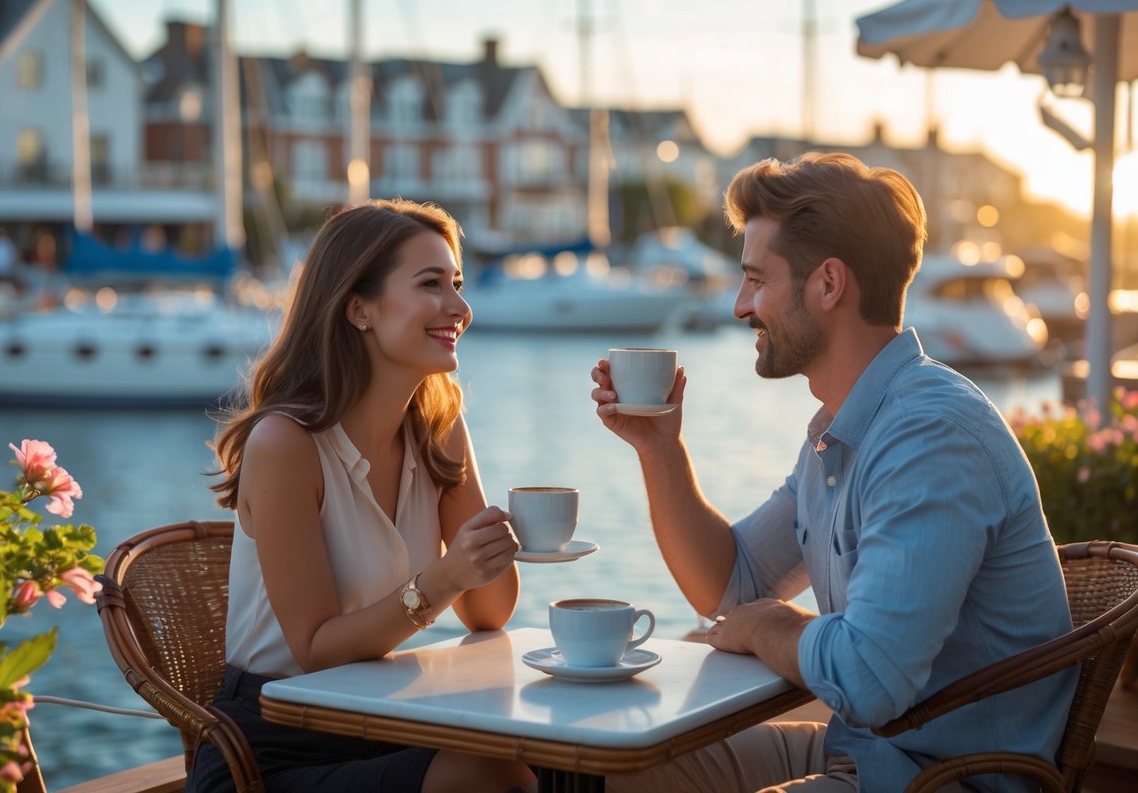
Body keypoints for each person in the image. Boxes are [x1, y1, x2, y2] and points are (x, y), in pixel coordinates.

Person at [590, 153, 1076, 793]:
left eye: (757, 280)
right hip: (869, 755)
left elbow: (870, 678)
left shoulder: (929, 436)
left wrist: (772, 625)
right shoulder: (844, 433)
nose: (740, 307)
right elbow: (730, 585)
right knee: (613, 768)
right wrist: (659, 450)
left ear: (828, 285)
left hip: (946, 779)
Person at [191, 199, 534, 793]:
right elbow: (316, 649)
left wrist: (483, 551)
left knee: (551, 761)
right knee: (488, 775)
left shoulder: (439, 428)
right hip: (273, 746)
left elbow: (490, 611)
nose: (461, 308)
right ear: (358, 309)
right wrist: (443, 579)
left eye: (457, 284)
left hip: (392, 715)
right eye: (432, 284)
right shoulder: (285, 444)